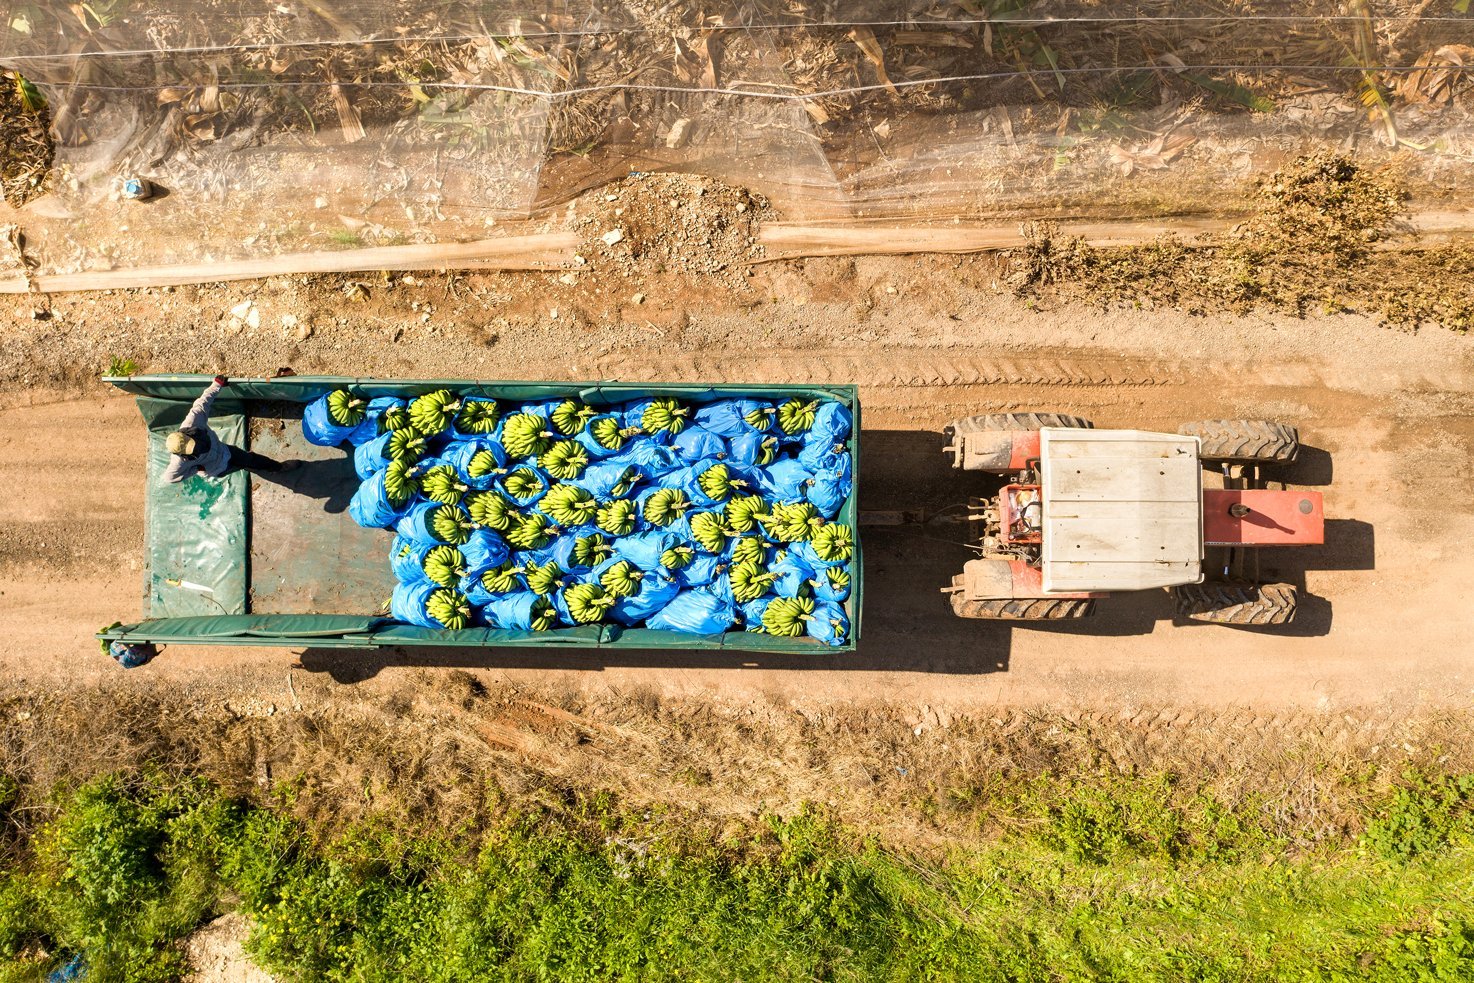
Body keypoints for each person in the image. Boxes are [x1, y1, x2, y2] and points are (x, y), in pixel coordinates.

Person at [163, 376, 293, 483]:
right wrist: (196, 469)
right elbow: (170, 478)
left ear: (187, 434)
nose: (195, 446)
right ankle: (247, 466)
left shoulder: (193, 422)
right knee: (242, 464)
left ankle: (278, 467)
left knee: (250, 459)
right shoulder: (178, 462)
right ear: (181, 454)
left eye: (192, 442)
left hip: (226, 450)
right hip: (219, 468)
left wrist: (216, 385)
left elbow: (202, 403)